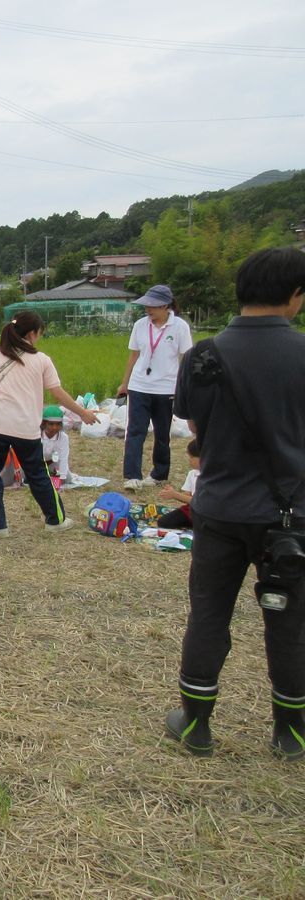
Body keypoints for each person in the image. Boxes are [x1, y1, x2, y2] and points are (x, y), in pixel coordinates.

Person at [164, 247, 305, 759]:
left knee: (208, 613)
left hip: (220, 507)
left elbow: (197, 433)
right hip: (289, 517)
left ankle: (195, 724)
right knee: (289, 622)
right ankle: (290, 732)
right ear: (294, 295)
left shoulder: (202, 356)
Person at [0, 311, 100, 536]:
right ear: (32, 333)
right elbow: (58, 393)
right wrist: (83, 413)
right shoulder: (42, 360)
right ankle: (55, 520)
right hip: (26, 427)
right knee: (37, 474)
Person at [117, 285, 194, 491]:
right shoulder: (140, 325)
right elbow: (133, 355)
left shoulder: (179, 327)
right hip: (140, 385)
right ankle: (132, 476)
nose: (148, 310)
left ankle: (160, 474)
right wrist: (125, 383)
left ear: (165, 305)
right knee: (135, 431)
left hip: (167, 388)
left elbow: (185, 358)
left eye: (152, 306)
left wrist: (184, 387)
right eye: (146, 306)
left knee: (162, 433)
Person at [157, 440, 200, 530]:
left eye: (191, 457)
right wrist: (173, 493)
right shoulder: (192, 474)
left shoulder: (213, 476)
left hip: (208, 513)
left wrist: (175, 494)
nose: (189, 460)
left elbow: (201, 503)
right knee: (164, 522)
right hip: (192, 511)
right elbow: (187, 497)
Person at [40, 405, 71, 484]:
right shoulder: (36, 434)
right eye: (51, 424)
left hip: (53, 463)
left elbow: (63, 458)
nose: (54, 427)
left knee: (67, 479)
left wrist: (62, 477)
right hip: (37, 464)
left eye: (58, 424)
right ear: (44, 423)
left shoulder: (63, 437)